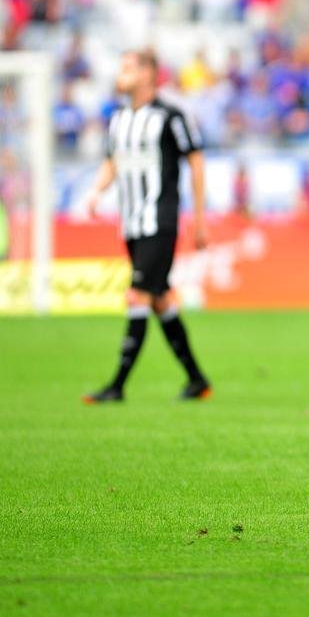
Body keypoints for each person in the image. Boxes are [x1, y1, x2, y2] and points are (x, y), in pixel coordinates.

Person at [83, 50, 211, 403]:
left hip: (160, 220)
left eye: (127, 67)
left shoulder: (171, 116)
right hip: (132, 223)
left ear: (148, 74)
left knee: (137, 293)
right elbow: (113, 162)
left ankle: (117, 385)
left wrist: (199, 219)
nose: (119, 74)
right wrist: (95, 191)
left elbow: (196, 162)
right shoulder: (119, 119)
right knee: (159, 300)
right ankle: (197, 379)